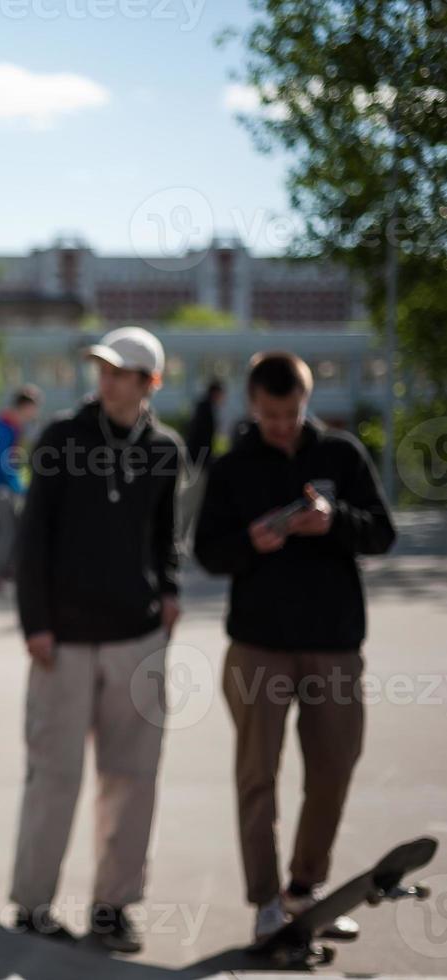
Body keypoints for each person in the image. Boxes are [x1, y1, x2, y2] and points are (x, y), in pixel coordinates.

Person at [193, 352, 395, 942]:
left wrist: (334, 522)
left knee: (334, 768)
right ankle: (264, 903)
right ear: (252, 405)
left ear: (306, 402)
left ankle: (305, 890)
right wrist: (251, 542)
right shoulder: (233, 469)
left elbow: (382, 533)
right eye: (271, 413)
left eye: (291, 412)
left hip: (333, 643)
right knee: (258, 776)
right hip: (258, 647)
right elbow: (208, 551)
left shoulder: (341, 455)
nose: (282, 424)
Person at [10, 326, 183, 954]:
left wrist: (169, 590)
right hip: (65, 639)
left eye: (119, 371)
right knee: (53, 774)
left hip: (137, 636)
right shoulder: (60, 438)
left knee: (132, 778)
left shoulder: (165, 449)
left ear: (148, 383)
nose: (105, 380)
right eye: (101, 369)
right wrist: (36, 623)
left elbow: (167, 537)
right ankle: (32, 908)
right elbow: (33, 538)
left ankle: (113, 910)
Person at [0, 385, 42, 593]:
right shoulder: (6, 425)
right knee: (4, 533)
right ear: (25, 407)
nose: (35, 413)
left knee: (7, 529)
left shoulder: (6, 423)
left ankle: (4, 573)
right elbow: (1, 460)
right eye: (34, 408)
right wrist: (19, 487)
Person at [178, 379, 225, 543]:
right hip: (198, 463)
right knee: (190, 500)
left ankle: (181, 537)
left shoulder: (202, 407)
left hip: (197, 461)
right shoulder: (206, 410)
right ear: (216, 393)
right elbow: (201, 439)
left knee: (191, 500)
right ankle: (178, 537)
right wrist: (204, 461)